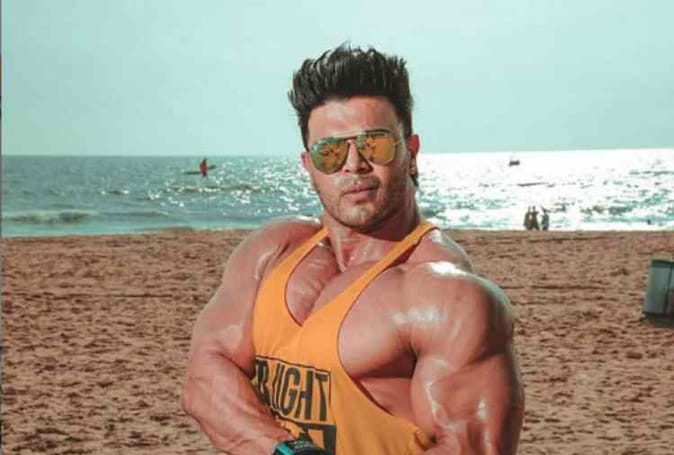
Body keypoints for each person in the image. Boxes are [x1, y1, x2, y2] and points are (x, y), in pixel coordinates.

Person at [182, 45, 524, 455]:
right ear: (308, 165)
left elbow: (471, 448)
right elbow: (205, 376)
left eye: (374, 145)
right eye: (330, 152)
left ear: (411, 153)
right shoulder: (272, 251)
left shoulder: (449, 297)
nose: (353, 164)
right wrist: (284, 450)